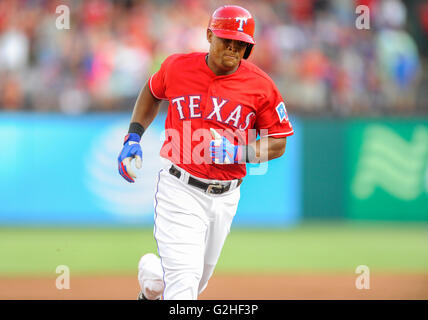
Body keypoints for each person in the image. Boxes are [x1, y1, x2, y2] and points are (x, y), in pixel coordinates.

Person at [117, 5, 294, 300]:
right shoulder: (177, 67)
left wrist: (240, 152)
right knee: (184, 287)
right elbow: (151, 92)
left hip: (226, 197)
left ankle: (151, 279)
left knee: (193, 281)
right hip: (180, 188)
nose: (234, 49)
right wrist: (133, 137)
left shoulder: (261, 86)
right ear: (210, 35)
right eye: (228, 40)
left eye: (241, 44)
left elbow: (278, 141)